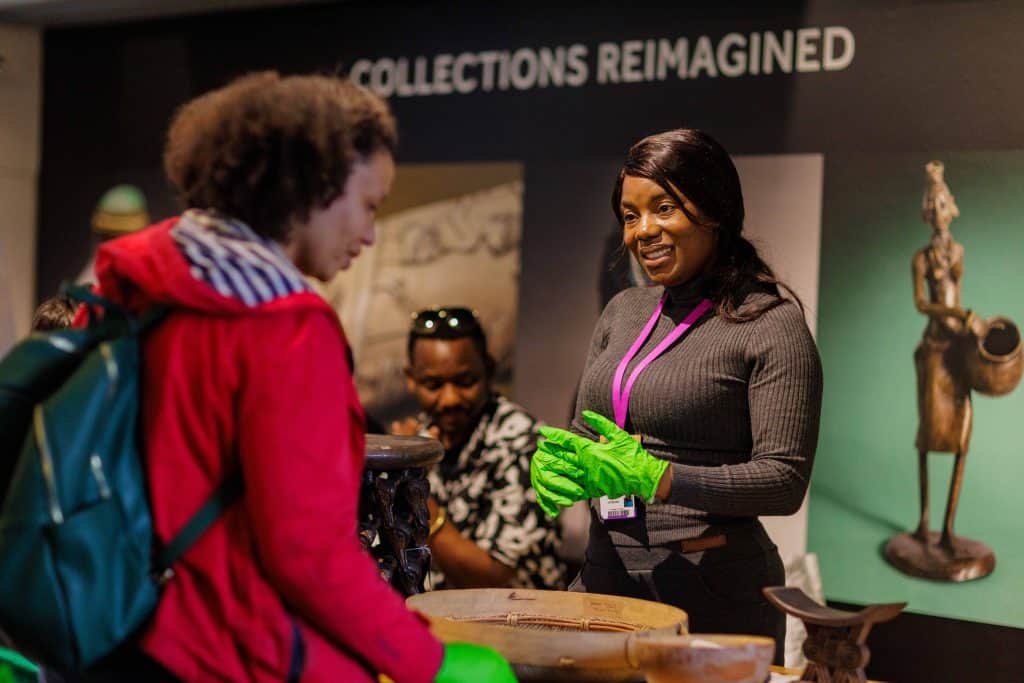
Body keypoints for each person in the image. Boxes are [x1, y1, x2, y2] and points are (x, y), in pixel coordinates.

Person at [78, 72, 513, 682]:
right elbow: (307, 553)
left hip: (112, 628)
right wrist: (428, 663)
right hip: (224, 650)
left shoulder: (130, 286)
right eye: (368, 204)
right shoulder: (286, 328)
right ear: (313, 185)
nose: (369, 233)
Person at [530, 128, 822, 664]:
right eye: (629, 214)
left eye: (663, 208)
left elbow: (783, 482)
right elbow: (590, 433)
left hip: (709, 587)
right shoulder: (624, 311)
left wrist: (659, 478)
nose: (642, 231)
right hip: (605, 573)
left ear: (715, 208)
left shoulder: (770, 324)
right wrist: (560, 462)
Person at [393, 307, 566, 590]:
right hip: (437, 620)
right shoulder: (419, 439)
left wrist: (414, 491)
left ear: (489, 369)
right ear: (411, 379)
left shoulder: (527, 444)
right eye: (433, 384)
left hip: (515, 622)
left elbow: (490, 578)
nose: (450, 399)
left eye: (465, 381)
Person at [910, 161, 987, 549]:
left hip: (959, 351)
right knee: (927, 436)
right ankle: (924, 522)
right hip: (934, 350)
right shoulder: (921, 259)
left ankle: (949, 526)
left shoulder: (958, 251)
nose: (939, 213)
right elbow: (922, 304)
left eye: (944, 204)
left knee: (961, 436)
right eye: (933, 206)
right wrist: (958, 314)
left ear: (951, 208)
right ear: (927, 212)